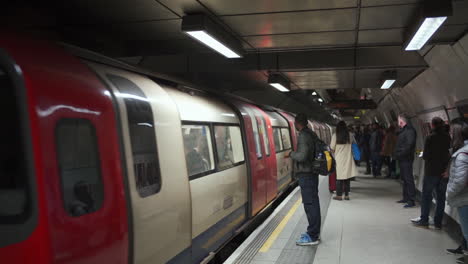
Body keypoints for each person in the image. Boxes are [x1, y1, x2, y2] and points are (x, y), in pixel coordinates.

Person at [285, 113, 321, 246]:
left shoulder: (303, 136)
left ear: (297, 123)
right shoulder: (311, 134)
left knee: (310, 204)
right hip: (311, 173)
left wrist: (291, 154)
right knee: (313, 203)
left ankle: (312, 236)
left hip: (306, 174)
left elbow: (302, 156)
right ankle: (314, 232)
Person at [412, 117, 451, 229]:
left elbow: (425, 156)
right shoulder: (447, 137)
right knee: (441, 198)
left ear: (432, 125)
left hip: (431, 172)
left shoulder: (430, 137)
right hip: (443, 172)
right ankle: (438, 223)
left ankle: (424, 219)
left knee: (426, 196)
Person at [445, 120, 468, 263]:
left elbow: (460, 180)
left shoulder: (462, 155)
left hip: (464, 198)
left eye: (451, 131)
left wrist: (449, 192)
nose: (449, 134)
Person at [331, 121, 358, 200]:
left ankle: (339, 195)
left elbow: (332, 148)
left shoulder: (335, 136)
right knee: (347, 177)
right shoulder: (350, 135)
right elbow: (354, 145)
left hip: (339, 158)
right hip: (348, 158)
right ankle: (346, 195)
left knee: (339, 177)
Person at [394, 113, 417, 208]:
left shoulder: (410, 131)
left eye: (398, 120)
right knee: (404, 178)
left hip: (406, 158)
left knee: (408, 178)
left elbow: (409, 145)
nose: (397, 122)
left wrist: (399, 154)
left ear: (401, 121)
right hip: (402, 158)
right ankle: (405, 197)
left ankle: (411, 200)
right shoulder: (404, 130)